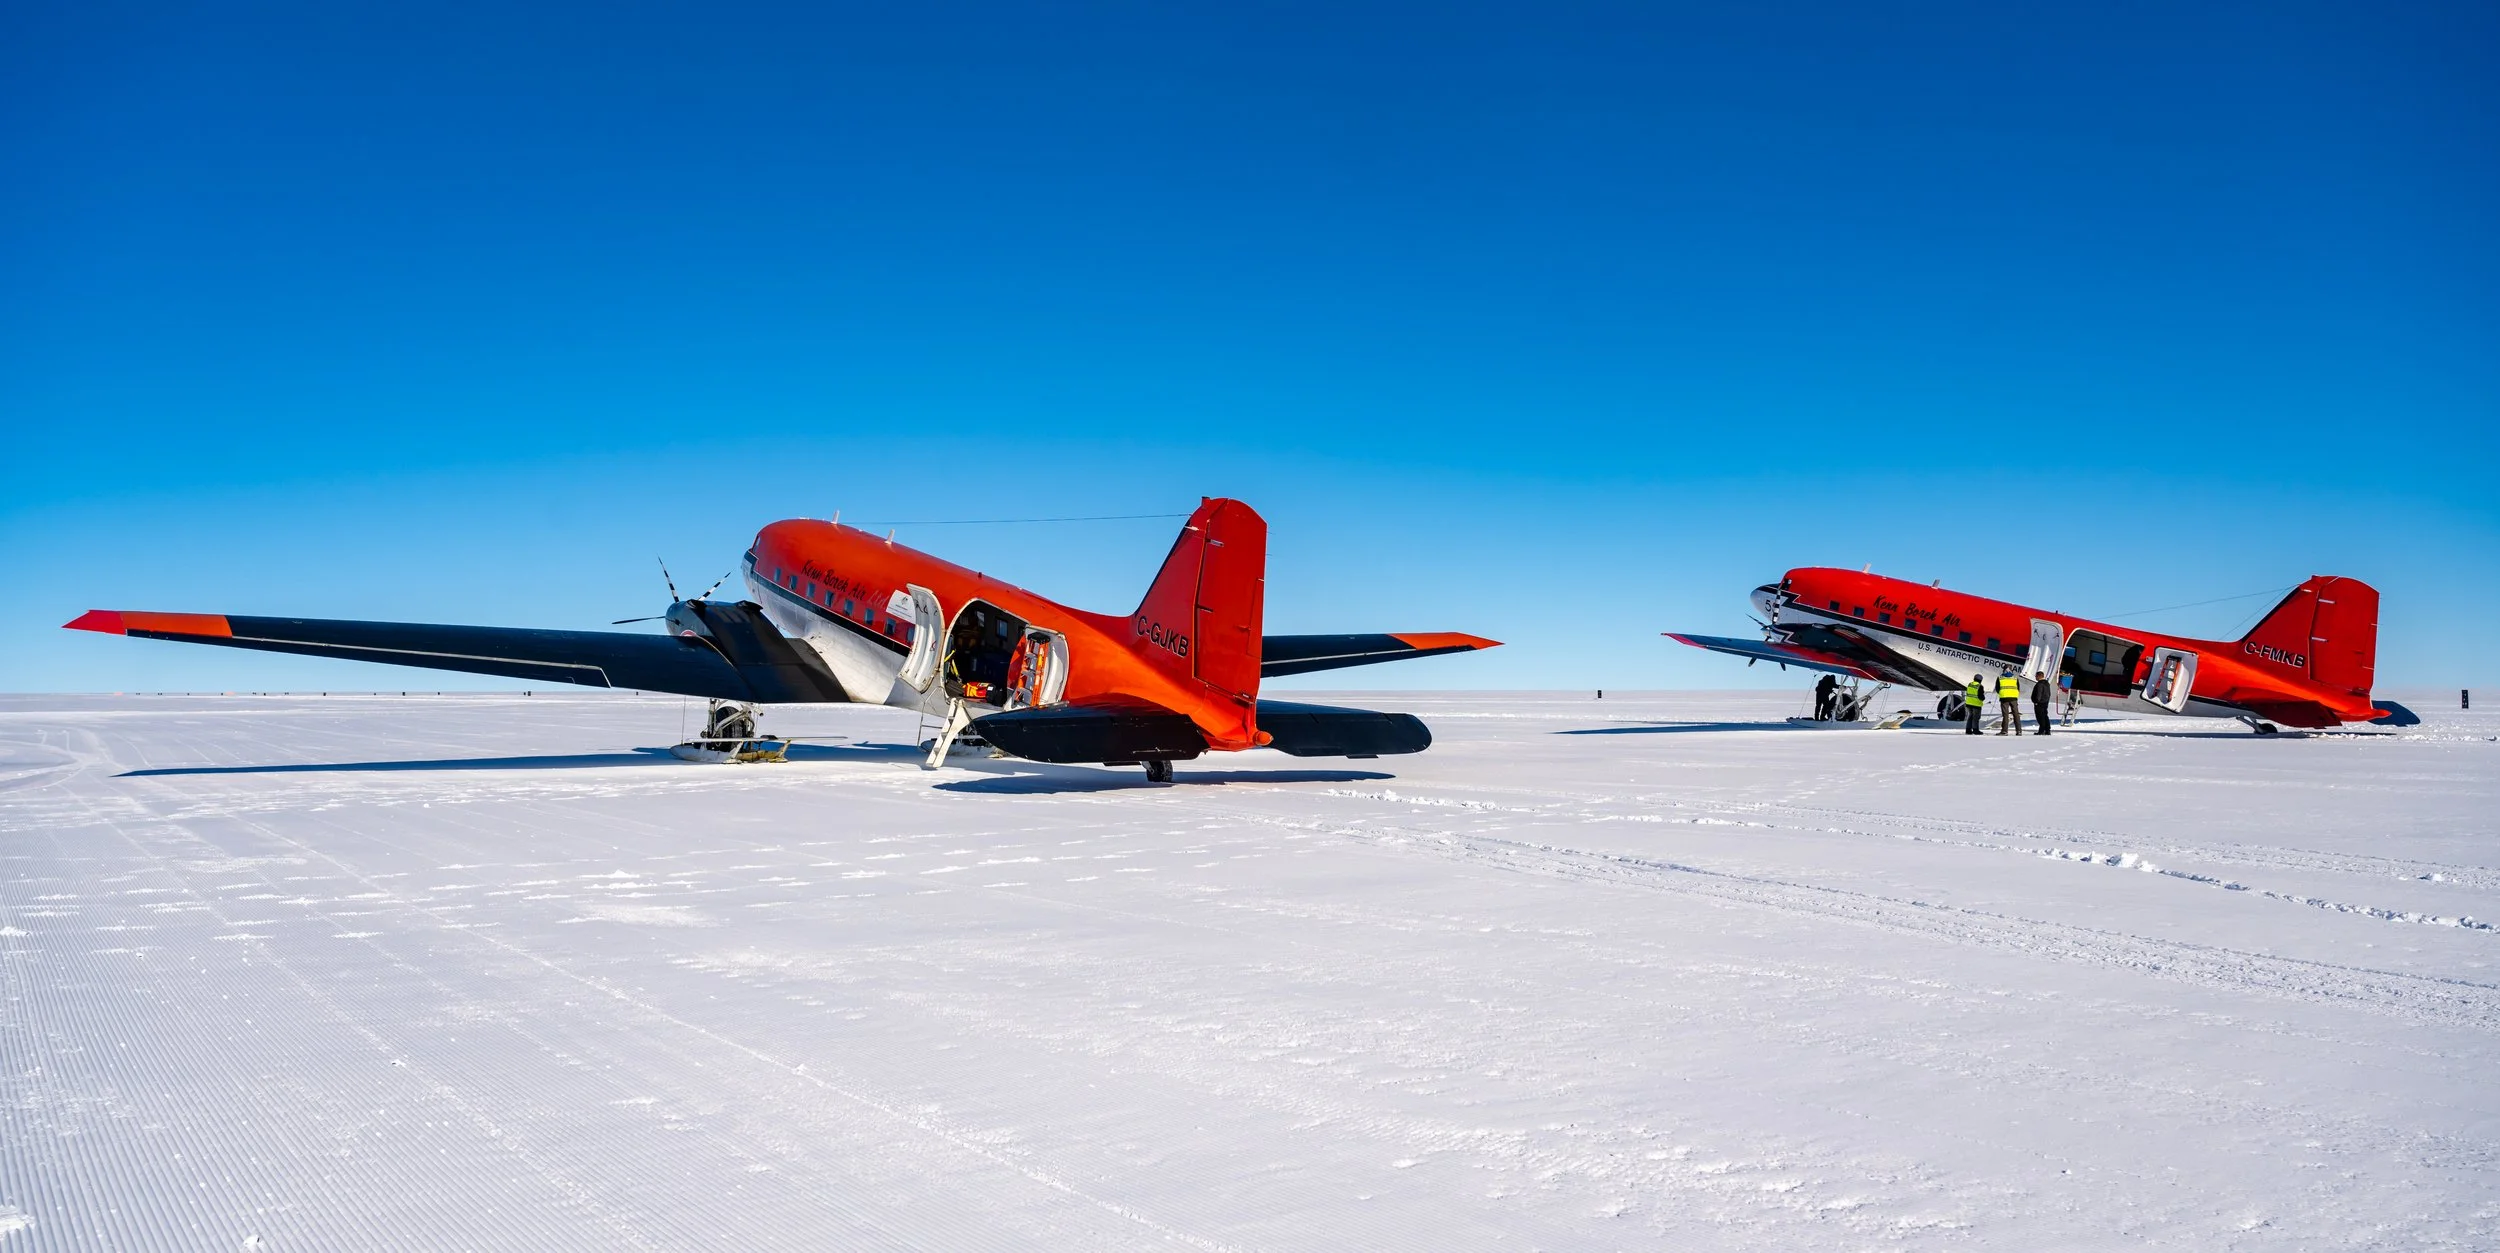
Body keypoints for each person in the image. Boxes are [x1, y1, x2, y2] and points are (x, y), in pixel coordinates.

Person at [1996, 668, 2023, 735]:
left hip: (2004, 698)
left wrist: (2001, 693)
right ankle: (2019, 731)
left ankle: (2004, 731)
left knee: (2005, 715)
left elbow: (1997, 688)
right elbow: (2018, 688)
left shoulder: (2000, 678)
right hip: (2013, 698)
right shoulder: (2015, 678)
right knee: (2016, 714)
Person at [2030, 670, 2052, 736]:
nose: (2035, 677)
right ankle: (2047, 730)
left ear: (2039, 676)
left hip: (2039, 703)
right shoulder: (2047, 683)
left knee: (2040, 717)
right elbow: (2049, 693)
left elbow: (2038, 693)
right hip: (2045, 702)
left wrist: (2036, 701)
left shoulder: (2039, 684)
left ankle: (2041, 730)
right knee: (2045, 716)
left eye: (2036, 676)